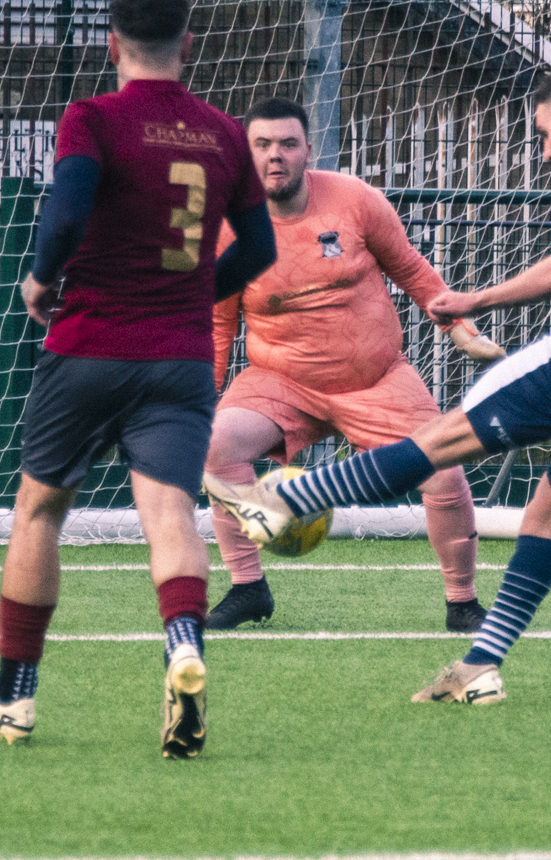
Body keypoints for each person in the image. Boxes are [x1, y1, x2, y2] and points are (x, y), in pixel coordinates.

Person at [206, 63, 551, 706]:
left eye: (547, 135)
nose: (550, 153)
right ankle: (479, 666)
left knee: (443, 442)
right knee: (547, 513)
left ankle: (298, 497)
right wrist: (479, 298)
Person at [0, 0, 274, 757]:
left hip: (89, 345)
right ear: (187, 45)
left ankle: (14, 695)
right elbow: (259, 251)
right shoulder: (226, 134)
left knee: (39, 511)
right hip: (180, 357)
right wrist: (196, 291)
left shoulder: (91, 116)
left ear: (111, 43)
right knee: (169, 513)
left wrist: (38, 278)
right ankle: (183, 646)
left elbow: (65, 209)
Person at [202, 97, 504, 633]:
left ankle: (462, 603)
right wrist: (198, 396)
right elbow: (219, 323)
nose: (276, 156)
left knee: (445, 471)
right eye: (263, 145)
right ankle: (248, 589)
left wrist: (461, 331)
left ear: (307, 150)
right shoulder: (226, 227)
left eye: (288, 144)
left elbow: (412, 270)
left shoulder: (356, 200)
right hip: (280, 382)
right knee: (215, 446)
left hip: (377, 378)